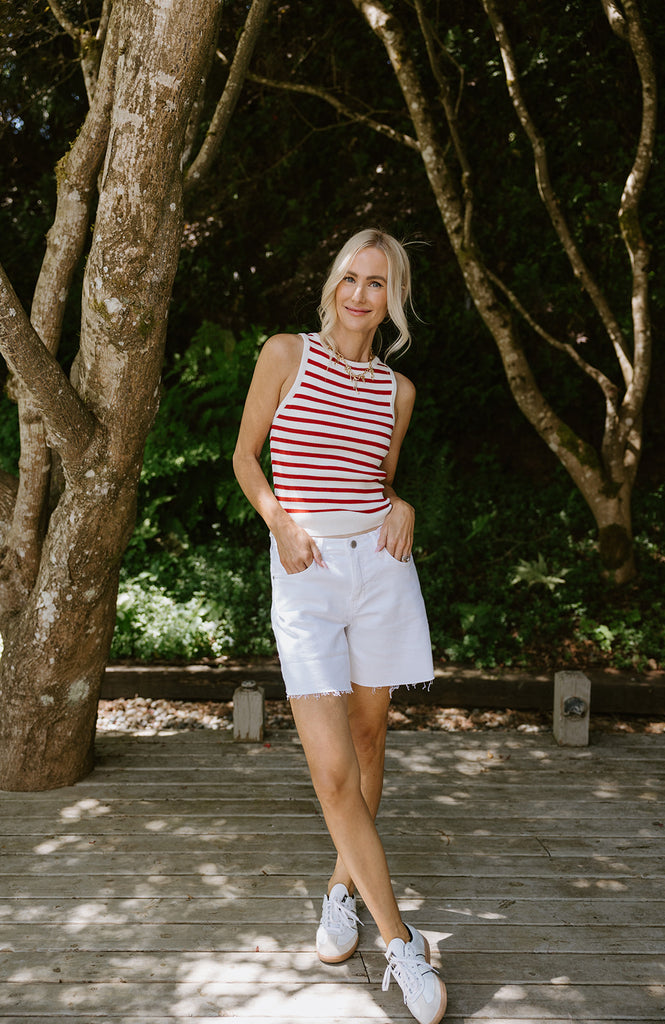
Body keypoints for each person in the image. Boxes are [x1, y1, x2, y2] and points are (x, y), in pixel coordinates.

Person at [232, 228, 447, 1024]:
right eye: (351, 278)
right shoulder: (285, 354)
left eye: (377, 283)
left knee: (367, 743)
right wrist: (279, 523)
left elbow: (375, 483)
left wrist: (404, 504)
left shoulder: (397, 391)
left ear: (394, 298)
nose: (360, 294)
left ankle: (340, 890)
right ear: (332, 284)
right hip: (307, 575)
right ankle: (401, 942)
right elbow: (245, 457)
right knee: (330, 772)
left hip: (380, 574)